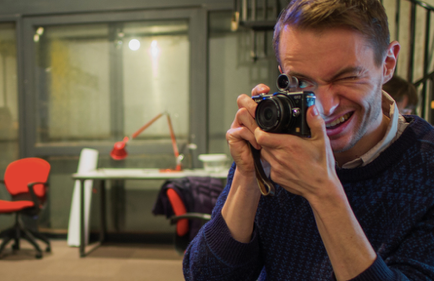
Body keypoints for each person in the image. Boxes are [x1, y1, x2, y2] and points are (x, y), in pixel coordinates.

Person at [183, 0, 434, 280]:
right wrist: (248, 177)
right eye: (301, 82)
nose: (324, 106)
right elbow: (205, 276)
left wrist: (323, 192)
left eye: (347, 77)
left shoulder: (426, 165)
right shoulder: (278, 142)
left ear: (387, 64)